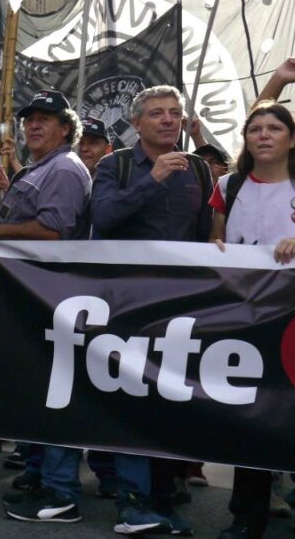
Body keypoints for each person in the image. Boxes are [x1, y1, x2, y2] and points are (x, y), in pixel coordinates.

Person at [0, 90, 91, 524]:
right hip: (29, 298)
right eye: (29, 119)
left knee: (56, 399)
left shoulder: (66, 169)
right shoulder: (42, 168)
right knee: (38, 394)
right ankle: (41, 475)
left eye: (46, 119)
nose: (33, 125)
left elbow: (55, 233)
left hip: (49, 298)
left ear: (66, 128)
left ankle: (62, 494)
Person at [89, 86, 211, 535]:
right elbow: (103, 218)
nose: (167, 120)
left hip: (180, 306)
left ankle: (164, 495)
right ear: (136, 123)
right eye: (157, 114)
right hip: (127, 304)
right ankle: (133, 501)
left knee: (170, 403)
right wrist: (152, 179)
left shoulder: (199, 170)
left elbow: (202, 237)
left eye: (175, 114)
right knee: (133, 402)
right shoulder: (114, 166)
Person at [206, 100, 295, 539]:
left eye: (274, 128)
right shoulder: (229, 186)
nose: (263, 135)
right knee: (249, 416)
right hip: (244, 319)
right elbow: (215, 236)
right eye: (255, 129)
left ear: (291, 138)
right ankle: (247, 517)